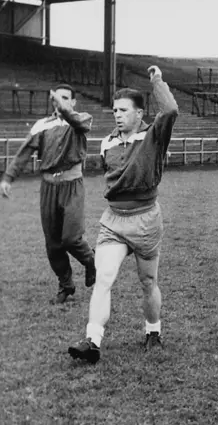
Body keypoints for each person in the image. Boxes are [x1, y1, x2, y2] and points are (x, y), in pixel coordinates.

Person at [68, 66, 178, 363]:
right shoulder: (107, 142)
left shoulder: (155, 136)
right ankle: (92, 341)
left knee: (147, 282)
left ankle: (153, 332)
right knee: (103, 277)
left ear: (140, 114)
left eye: (124, 110)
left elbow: (169, 110)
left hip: (145, 220)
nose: (117, 115)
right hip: (113, 220)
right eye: (115, 110)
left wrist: (157, 82)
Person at [0, 83, 96, 304]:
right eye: (57, 98)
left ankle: (91, 262)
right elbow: (24, 153)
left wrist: (65, 110)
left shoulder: (81, 120)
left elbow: (76, 120)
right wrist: (8, 178)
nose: (60, 102)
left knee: (71, 238)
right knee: (53, 244)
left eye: (65, 98)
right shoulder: (41, 125)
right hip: (48, 187)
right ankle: (66, 284)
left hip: (72, 185)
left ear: (73, 102)